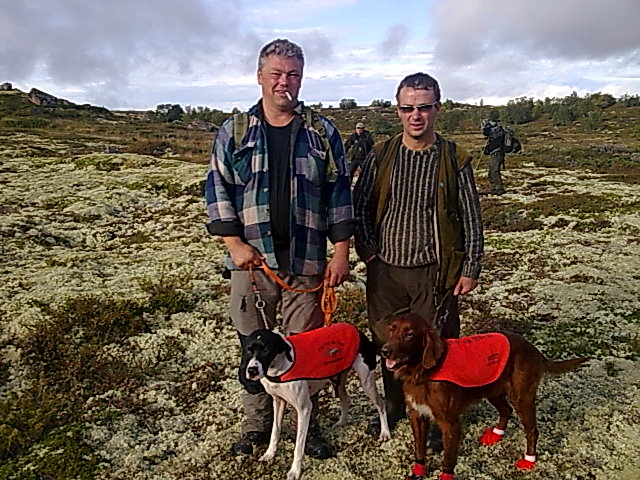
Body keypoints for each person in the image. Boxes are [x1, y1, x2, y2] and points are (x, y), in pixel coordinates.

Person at [205, 38, 354, 459]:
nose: (284, 83)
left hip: (307, 262)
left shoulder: (322, 133)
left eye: (293, 75)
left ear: (302, 78)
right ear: (260, 77)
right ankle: (257, 424)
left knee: (304, 346)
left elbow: (339, 193)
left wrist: (340, 252)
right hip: (251, 263)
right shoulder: (234, 131)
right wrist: (234, 244)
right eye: (277, 74)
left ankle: (310, 422)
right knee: (253, 344)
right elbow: (218, 190)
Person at [353, 73, 484, 444]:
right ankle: (396, 408)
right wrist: (370, 253)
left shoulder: (454, 158)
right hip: (386, 272)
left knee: (436, 347)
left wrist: (470, 268)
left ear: (437, 109)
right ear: (398, 110)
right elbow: (360, 207)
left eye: (424, 107)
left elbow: (471, 216)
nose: (416, 115)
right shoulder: (382, 154)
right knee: (389, 345)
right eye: (408, 107)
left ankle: (438, 415)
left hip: (434, 273)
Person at [481, 119, 506, 195]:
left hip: (496, 153)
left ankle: (499, 189)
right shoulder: (497, 130)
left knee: (495, 171)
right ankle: (493, 188)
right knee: (491, 172)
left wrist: (485, 127)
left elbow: (486, 132)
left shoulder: (497, 130)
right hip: (495, 152)